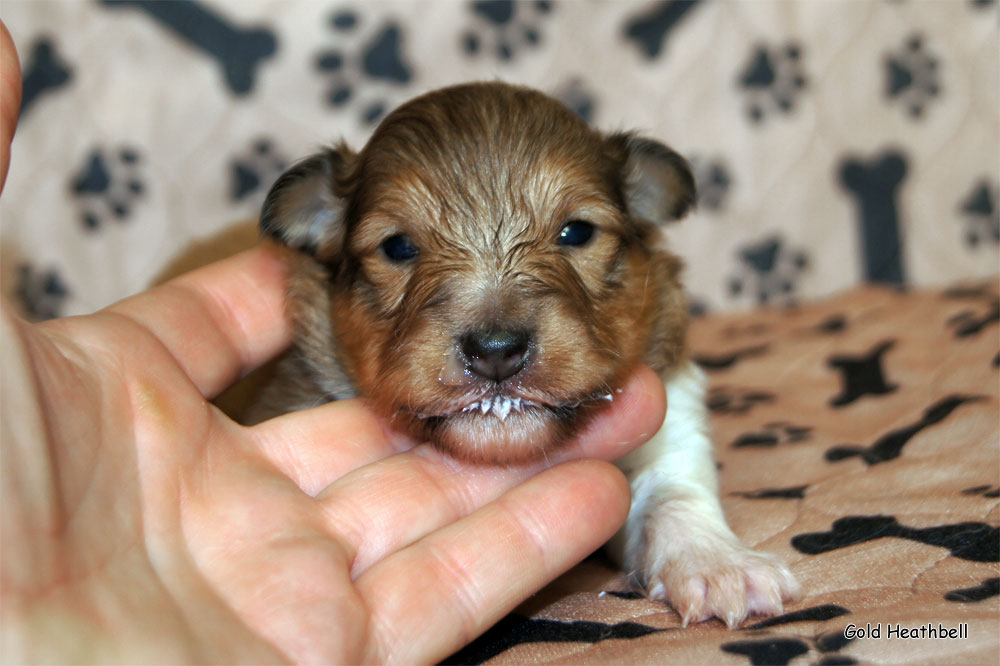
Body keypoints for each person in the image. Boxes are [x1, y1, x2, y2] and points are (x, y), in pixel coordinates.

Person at [0, 22, 666, 664]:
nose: (494, 337)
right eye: (400, 247)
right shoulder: (290, 400)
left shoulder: (635, 371)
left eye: (573, 235)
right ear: (324, 244)